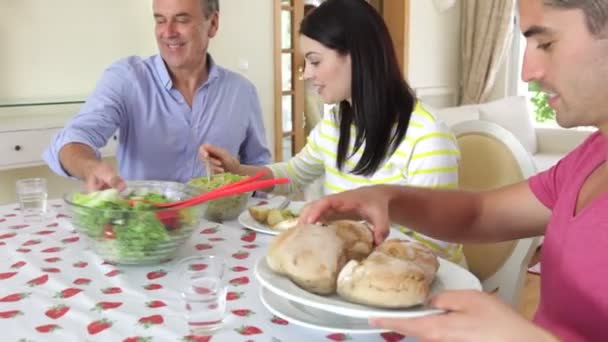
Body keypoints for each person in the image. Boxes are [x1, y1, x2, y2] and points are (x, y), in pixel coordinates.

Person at [299, 0, 608, 340]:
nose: (527, 71)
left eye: (546, 43)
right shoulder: (590, 156)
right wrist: (385, 197)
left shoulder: (425, 131)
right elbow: (478, 214)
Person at [202, 0, 465, 264]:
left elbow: (434, 251)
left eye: (315, 61)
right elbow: (292, 175)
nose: (306, 74)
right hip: (351, 267)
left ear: (356, 55)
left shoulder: (427, 138)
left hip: (409, 281)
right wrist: (238, 171)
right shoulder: (336, 122)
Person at [43, 0, 271, 191]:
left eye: (182, 20)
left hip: (223, 230)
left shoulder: (242, 92)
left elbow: (261, 171)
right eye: (160, 20)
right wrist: (90, 168)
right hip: (146, 231)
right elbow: (73, 138)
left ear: (212, 24)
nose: (168, 32)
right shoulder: (126, 79)